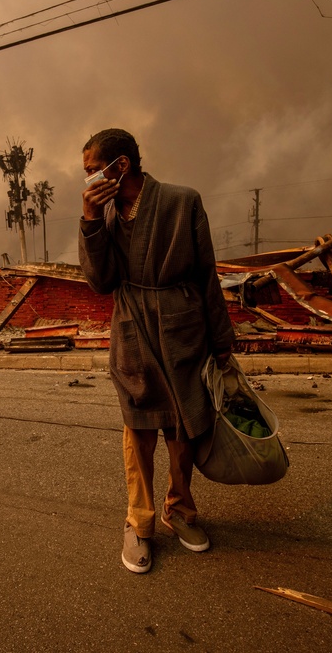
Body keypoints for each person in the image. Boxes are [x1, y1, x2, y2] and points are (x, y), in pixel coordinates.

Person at [77, 128, 235, 574]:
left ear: (120, 165)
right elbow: (100, 282)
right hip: (131, 330)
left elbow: (206, 274)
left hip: (183, 327)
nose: (89, 180)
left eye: (93, 171)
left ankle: (180, 511)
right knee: (139, 432)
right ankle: (139, 523)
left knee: (183, 432)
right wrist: (89, 221)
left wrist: (221, 341)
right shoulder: (104, 215)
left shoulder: (183, 201)